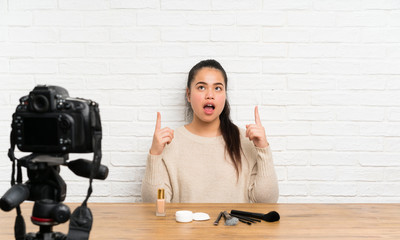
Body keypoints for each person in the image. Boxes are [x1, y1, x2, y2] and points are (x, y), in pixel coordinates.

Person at [141, 59, 279, 203]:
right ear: (188, 94)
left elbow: (266, 202)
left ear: (225, 95)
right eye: (201, 87)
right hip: (185, 226)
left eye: (218, 88)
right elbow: (154, 205)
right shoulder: (169, 142)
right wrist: (155, 154)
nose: (210, 95)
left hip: (234, 226)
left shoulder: (245, 140)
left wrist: (263, 148)